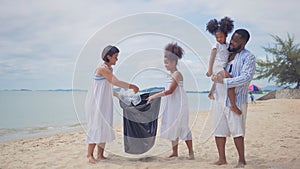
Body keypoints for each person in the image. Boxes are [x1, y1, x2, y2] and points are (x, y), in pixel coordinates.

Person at [85, 45, 139, 164]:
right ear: (108, 57)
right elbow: (115, 82)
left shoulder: (109, 69)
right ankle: (89, 154)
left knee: (104, 125)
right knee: (96, 125)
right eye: (115, 57)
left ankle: (100, 154)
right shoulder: (102, 69)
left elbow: (108, 87)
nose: (117, 59)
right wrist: (132, 86)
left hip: (105, 101)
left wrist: (119, 96)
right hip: (97, 102)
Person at [211, 29, 256, 168]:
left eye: (236, 41)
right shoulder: (226, 54)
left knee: (237, 131)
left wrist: (225, 82)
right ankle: (222, 158)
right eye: (232, 39)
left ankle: (241, 160)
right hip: (220, 98)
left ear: (243, 42)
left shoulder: (248, 57)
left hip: (237, 100)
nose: (232, 42)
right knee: (218, 130)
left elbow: (246, 78)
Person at [147, 43, 194, 160]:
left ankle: (191, 152)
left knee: (182, 126)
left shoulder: (177, 75)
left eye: (167, 63)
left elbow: (170, 91)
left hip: (179, 104)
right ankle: (175, 152)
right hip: (171, 104)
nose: (166, 65)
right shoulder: (169, 75)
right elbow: (165, 90)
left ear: (174, 62)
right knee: (173, 126)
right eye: (165, 63)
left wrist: (154, 96)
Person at [206, 17, 242, 115]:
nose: (218, 39)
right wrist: (209, 70)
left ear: (226, 35)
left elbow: (229, 53)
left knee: (217, 80)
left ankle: (210, 93)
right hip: (217, 66)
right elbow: (212, 57)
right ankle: (233, 105)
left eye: (220, 37)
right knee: (230, 79)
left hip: (223, 66)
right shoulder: (216, 45)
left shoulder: (226, 45)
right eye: (217, 37)